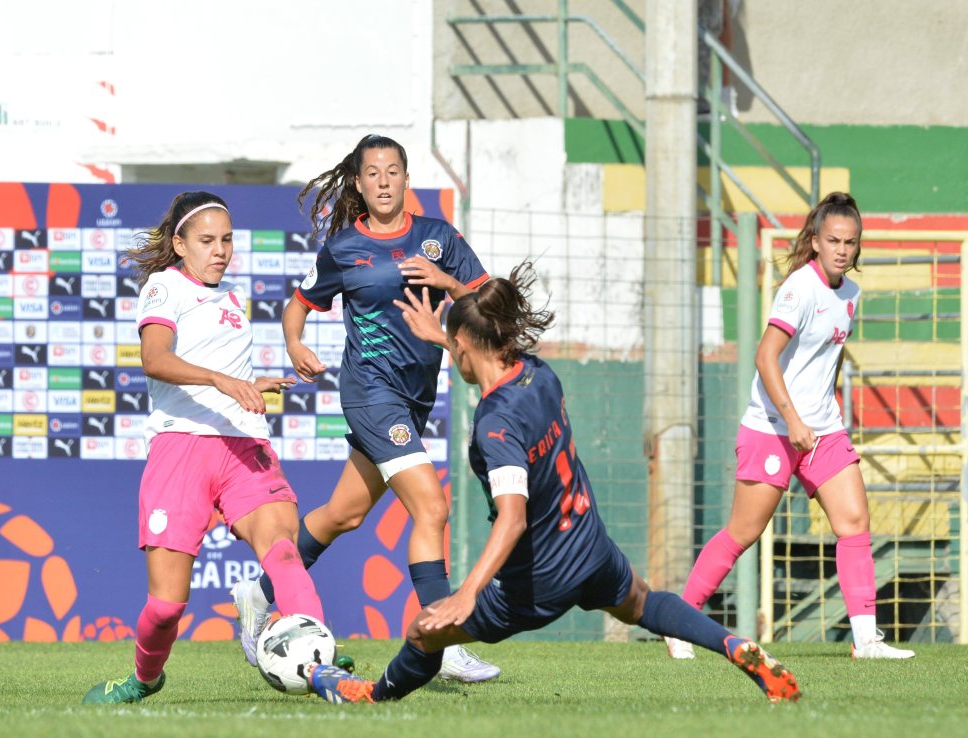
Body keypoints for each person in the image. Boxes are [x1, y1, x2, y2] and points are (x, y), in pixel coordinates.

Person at [300, 263, 802, 705]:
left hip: (539, 578)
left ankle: (370, 694)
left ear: (469, 346)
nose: (453, 354)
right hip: (589, 545)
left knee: (424, 632)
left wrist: (468, 592)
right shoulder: (538, 373)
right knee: (645, 604)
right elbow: (484, 332)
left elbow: (514, 517)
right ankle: (734, 646)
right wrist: (448, 323)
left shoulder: (495, 425)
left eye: (455, 347)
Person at [230, 134, 500, 682]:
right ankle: (442, 641)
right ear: (358, 182)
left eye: (393, 171)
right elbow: (299, 304)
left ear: (406, 179)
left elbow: (487, 301)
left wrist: (448, 283)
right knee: (431, 508)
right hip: (370, 393)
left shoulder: (437, 238)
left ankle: (256, 594)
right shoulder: (345, 248)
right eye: (372, 173)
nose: (382, 181)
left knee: (344, 514)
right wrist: (295, 344)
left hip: (416, 397)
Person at [83, 192, 325, 704]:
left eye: (228, 240)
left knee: (284, 551)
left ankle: (317, 658)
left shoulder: (234, 298)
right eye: (207, 241)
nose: (221, 251)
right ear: (179, 244)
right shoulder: (164, 286)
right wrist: (221, 380)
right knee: (167, 606)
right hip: (181, 447)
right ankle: (144, 678)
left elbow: (221, 372)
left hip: (243, 446)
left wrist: (251, 383)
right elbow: (155, 359)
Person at [666, 192, 915, 661]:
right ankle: (678, 621)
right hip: (772, 428)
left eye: (851, 242)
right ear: (816, 242)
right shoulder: (799, 288)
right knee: (743, 532)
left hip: (822, 430)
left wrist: (824, 415)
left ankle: (867, 641)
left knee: (855, 522)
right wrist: (794, 420)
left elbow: (830, 360)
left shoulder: (852, 295)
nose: (842, 249)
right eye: (833, 240)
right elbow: (765, 357)